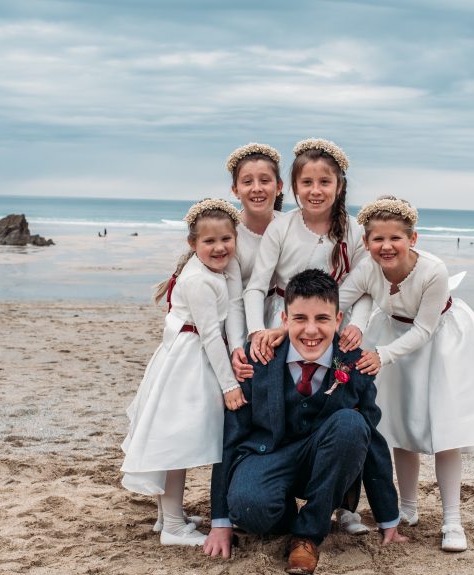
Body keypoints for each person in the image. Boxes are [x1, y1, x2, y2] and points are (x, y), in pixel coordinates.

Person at [339, 196, 474, 552]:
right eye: (378, 239)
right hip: (393, 333)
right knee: (400, 425)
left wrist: (382, 355)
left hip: (440, 339)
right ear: (366, 242)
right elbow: (343, 299)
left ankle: (452, 519)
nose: (386, 246)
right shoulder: (367, 267)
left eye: (396, 238)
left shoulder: (433, 270)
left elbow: (424, 330)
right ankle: (407, 507)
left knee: (444, 428)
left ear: (413, 239)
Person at [204, 269, 406, 575]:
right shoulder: (258, 357)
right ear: (284, 321)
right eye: (300, 319)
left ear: (338, 320)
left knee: (352, 425)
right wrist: (220, 521)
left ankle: (308, 535)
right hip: (267, 453)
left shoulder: (354, 364)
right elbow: (231, 433)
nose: (311, 330)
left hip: (325, 459)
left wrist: (387, 517)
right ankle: (285, 514)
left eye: (322, 319)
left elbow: (373, 439)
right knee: (247, 509)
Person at [120, 198, 247, 547]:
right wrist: (229, 385)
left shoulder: (222, 267)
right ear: (193, 244)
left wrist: (238, 348)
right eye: (209, 242)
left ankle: (167, 516)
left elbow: (234, 308)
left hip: (190, 356)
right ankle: (174, 526)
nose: (219, 247)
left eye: (226, 239)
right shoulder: (198, 280)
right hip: (188, 363)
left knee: (177, 438)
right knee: (177, 441)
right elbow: (209, 335)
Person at [243, 138, 372, 364]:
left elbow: (366, 286)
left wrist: (357, 324)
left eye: (324, 182)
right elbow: (256, 286)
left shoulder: (355, 231)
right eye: (307, 182)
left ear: (339, 186)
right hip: (284, 320)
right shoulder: (281, 227)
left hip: (336, 322)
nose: (315, 191)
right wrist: (256, 331)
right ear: (295, 186)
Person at [225, 142, 284, 376]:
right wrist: (237, 347)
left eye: (265, 180)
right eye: (247, 182)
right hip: (240, 318)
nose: (256, 188)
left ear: (279, 186)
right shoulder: (230, 235)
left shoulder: (288, 226)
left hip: (283, 318)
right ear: (235, 190)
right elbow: (233, 300)